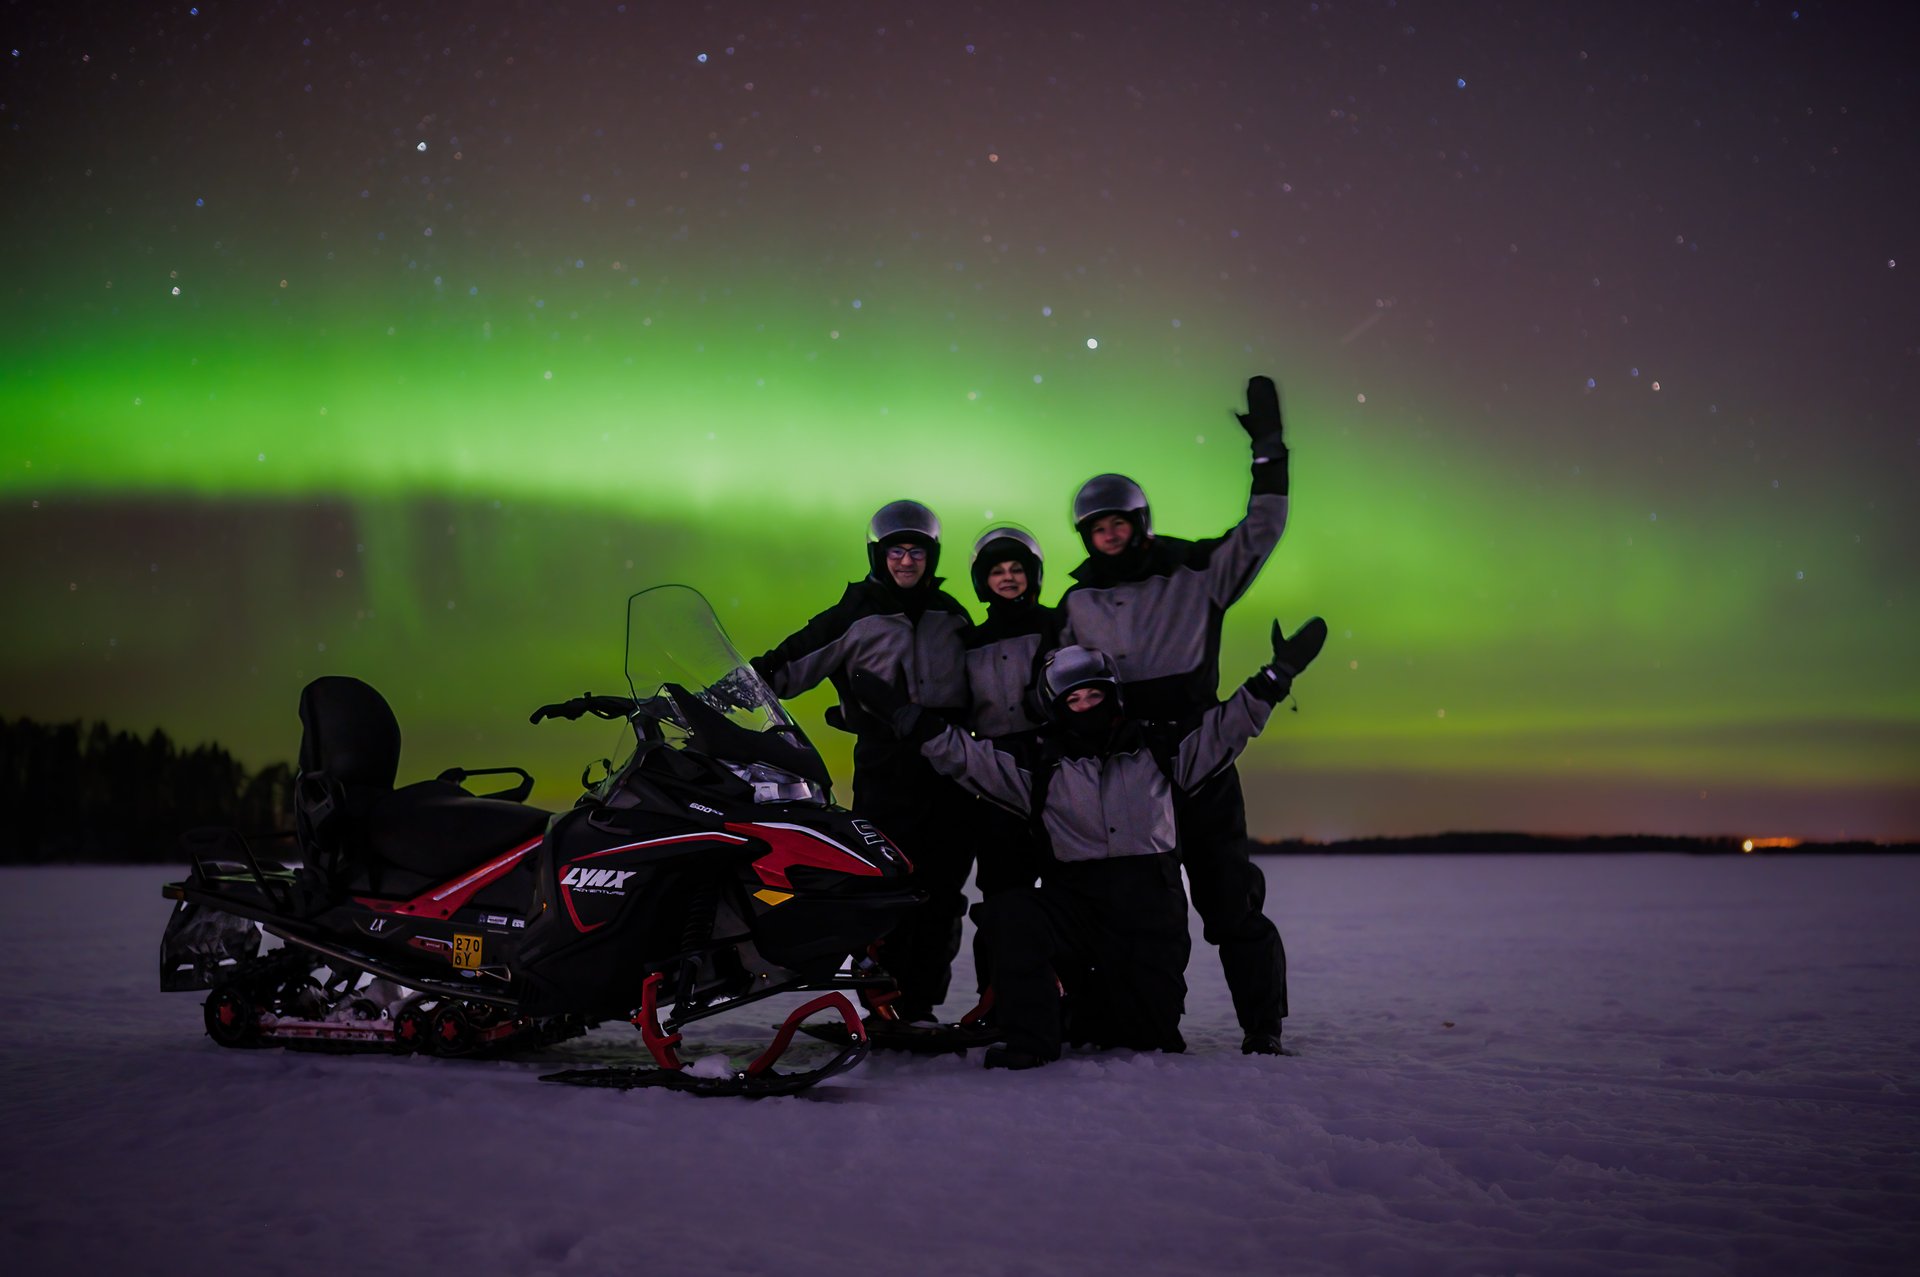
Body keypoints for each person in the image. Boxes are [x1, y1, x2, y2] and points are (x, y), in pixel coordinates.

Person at [852, 617, 1326, 1069]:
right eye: (1073, 700)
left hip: (1150, 914)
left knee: (1144, 1038)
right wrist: (903, 716)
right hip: (1076, 906)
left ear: (1114, 696)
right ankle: (1031, 1044)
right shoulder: (1036, 768)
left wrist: (1276, 675)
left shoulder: (1164, 752)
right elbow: (964, 757)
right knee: (1009, 913)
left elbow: (1228, 728)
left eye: (1094, 694)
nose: (1085, 707)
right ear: (1057, 708)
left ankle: (1105, 1014)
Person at [1055, 374, 1298, 1054]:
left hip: (1198, 750)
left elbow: (1262, 529)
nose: (1108, 535)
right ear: (1085, 535)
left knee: (1228, 900)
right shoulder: (1074, 605)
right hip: (1123, 769)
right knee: (1126, 910)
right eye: (1096, 528)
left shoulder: (1196, 572)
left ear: (1139, 523)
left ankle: (1263, 1026)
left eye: (1118, 523)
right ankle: (1126, 1021)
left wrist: (1270, 456)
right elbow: (1044, 681)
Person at [749, 499, 975, 1023]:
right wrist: (719, 695)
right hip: (887, 776)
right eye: (895, 551)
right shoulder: (853, 616)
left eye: (917, 551)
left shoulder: (952, 616)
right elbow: (779, 671)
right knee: (886, 895)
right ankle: (885, 1006)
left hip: (951, 779)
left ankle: (921, 1008)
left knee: (940, 899)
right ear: (877, 555)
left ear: (932, 556)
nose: (906, 561)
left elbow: (982, 688)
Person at [958, 526, 1060, 993]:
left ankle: (1072, 993)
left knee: (1065, 886)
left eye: (1017, 569)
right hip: (995, 769)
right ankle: (995, 997)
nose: (1008, 577)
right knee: (1001, 891)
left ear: (1033, 576)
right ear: (983, 580)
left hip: (1057, 765)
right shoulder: (969, 642)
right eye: (997, 571)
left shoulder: (1057, 625)